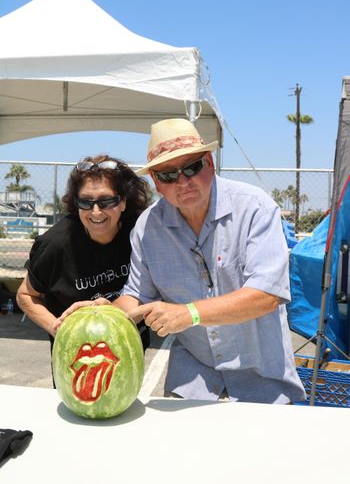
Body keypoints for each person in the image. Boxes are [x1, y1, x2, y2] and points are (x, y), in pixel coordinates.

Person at [115, 118, 306, 403]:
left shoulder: (255, 208)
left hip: (262, 377)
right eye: (168, 175)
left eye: (192, 167)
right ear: (155, 181)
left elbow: (266, 294)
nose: (183, 181)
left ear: (210, 163)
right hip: (193, 375)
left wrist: (189, 313)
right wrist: (102, 313)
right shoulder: (147, 226)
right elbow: (137, 296)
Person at [16, 154, 152, 353]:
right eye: (86, 202)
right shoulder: (57, 244)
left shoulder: (141, 233)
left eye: (106, 201)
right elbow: (25, 295)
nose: (96, 212)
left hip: (129, 348)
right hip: (77, 354)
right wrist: (60, 330)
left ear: (123, 202)